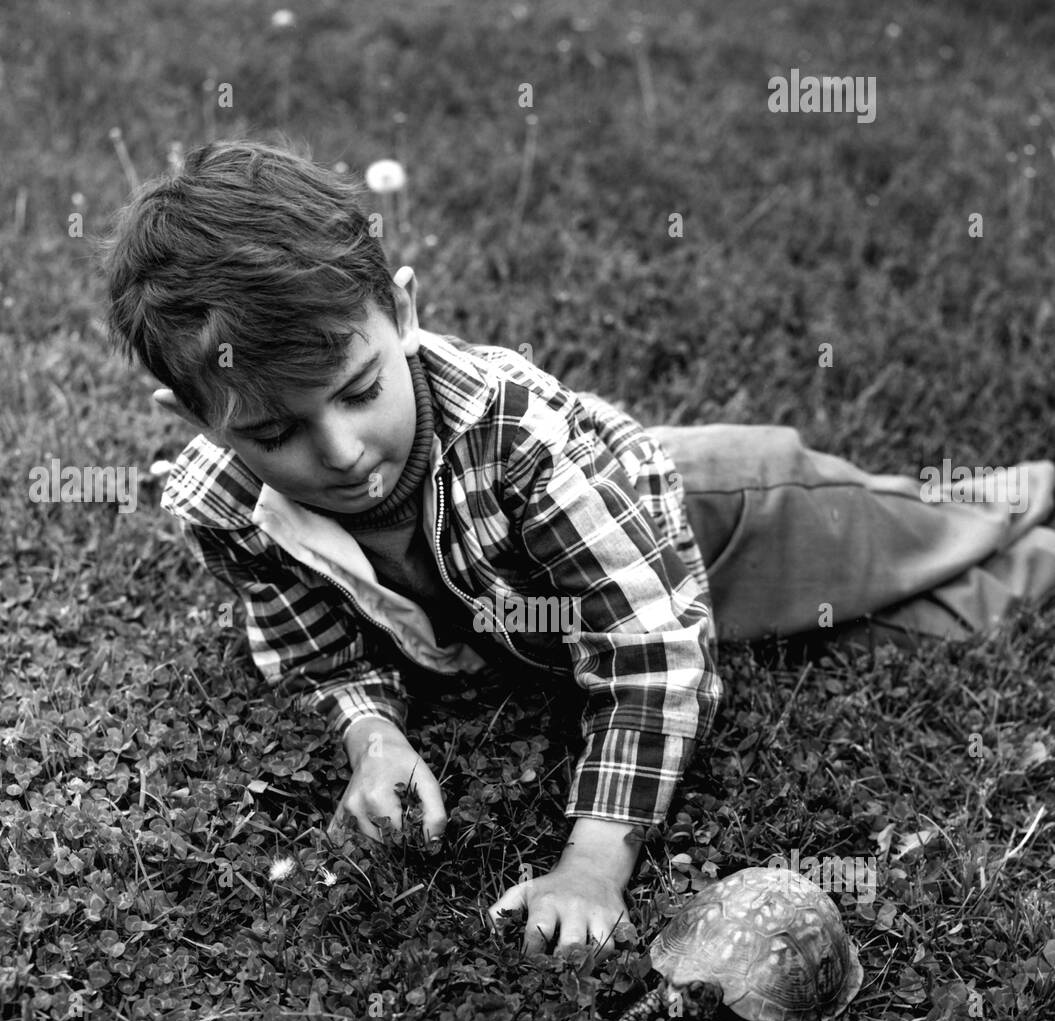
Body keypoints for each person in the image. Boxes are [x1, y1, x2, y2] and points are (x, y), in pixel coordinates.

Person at [101, 139, 1055, 961]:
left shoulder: (515, 436)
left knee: (947, 523)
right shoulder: (221, 505)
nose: (342, 454)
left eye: (358, 392)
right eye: (275, 433)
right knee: (947, 618)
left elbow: (650, 655)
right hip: (626, 603)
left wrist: (593, 865)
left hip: (731, 516)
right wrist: (373, 733)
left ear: (402, 315)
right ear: (195, 419)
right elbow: (323, 655)